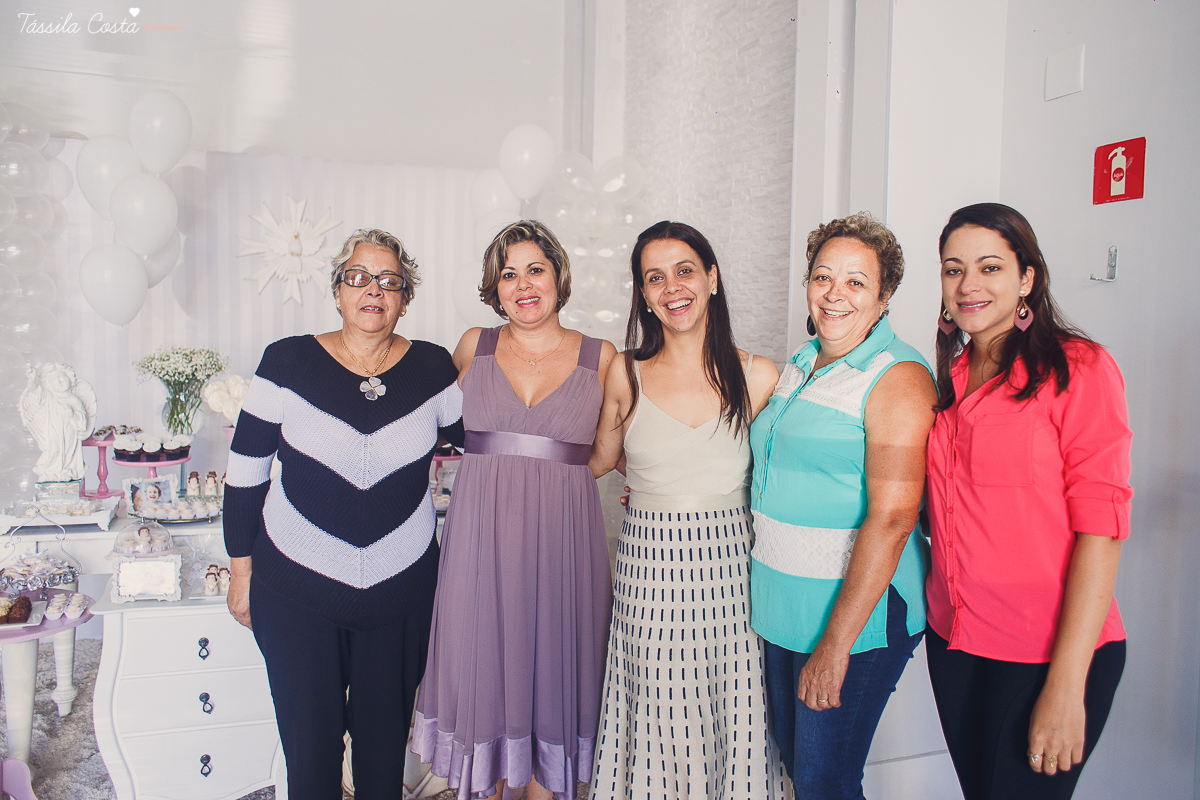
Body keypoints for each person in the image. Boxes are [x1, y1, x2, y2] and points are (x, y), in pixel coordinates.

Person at [223, 229, 464, 800]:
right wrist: (240, 573)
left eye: (389, 281)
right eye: (358, 276)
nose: (372, 290)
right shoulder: (287, 361)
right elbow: (245, 471)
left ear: (406, 297)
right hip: (295, 592)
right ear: (337, 291)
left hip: (400, 596)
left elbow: (474, 452)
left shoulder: (433, 370)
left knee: (383, 766)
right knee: (312, 761)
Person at [925, 203, 1131, 799]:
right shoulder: (950, 375)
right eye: (953, 268)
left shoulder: (1079, 369)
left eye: (990, 266)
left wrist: (1067, 685)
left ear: (1027, 278)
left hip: (1046, 652)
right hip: (956, 641)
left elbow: (1103, 529)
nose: (969, 285)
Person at [413, 220, 617, 800]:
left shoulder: (602, 358)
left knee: (552, 685)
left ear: (558, 277)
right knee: (489, 685)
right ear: (493, 286)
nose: (523, 285)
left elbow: (609, 455)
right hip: (480, 548)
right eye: (509, 274)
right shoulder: (470, 348)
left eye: (536, 270)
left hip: (563, 548)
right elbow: (421, 430)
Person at [588, 221, 787, 800]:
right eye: (655, 278)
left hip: (731, 570)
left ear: (712, 279)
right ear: (644, 296)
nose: (672, 287)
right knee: (656, 702)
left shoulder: (759, 375)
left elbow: (777, 474)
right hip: (649, 569)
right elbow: (600, 459)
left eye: (684, 271)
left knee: (734, 702)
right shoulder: (625, 371)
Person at [749, 212, 937, 799]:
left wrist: (835, 645)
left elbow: (894, 515)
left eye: (856, 282)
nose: (835, 294)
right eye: (823, 276)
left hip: (856, 617)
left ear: (884, 298)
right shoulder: (803, 362)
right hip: (785, 602)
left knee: (825, 781)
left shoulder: (897, 377)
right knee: (796, 764)